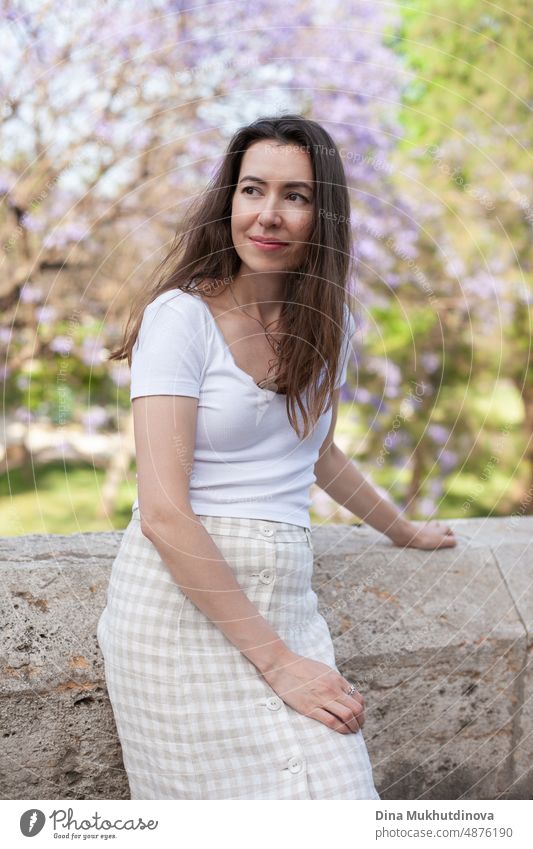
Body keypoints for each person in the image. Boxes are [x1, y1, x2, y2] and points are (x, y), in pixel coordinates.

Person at [97, 114, 456, 800]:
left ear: (323, 213)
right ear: (227, 201)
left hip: (285, 601)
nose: (268, 214)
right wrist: (280, 664)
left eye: (295, 195)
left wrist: (401, 530)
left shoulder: (330, 321)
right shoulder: (181, 318)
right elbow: (165, 514)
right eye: (252, 190)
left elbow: (316, 451)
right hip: (178, 614)